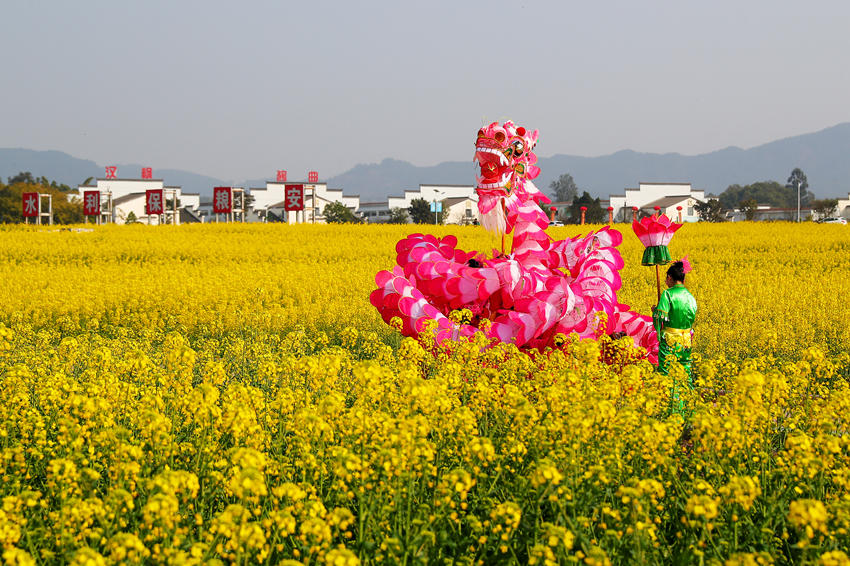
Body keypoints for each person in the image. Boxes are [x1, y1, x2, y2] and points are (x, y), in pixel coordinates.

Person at [652, 259, 697, 411]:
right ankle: (689, 408)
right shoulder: (691, 297)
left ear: (670, 278)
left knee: (667, 374)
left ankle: (672, 410)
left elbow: (660, 318)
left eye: (666, 279)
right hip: (686, 341)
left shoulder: (667, 294)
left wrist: (655, 311)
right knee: (685, 373)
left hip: (670, 340)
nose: (665, 282)